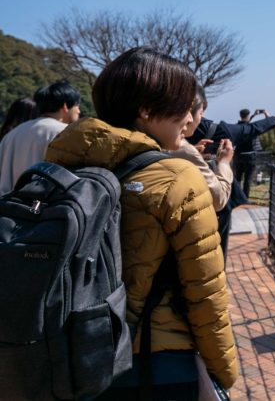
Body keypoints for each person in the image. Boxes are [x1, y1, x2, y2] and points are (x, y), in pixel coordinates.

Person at [45, 47, 237, 398]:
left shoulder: (59, 168)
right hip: (157, 363)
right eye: (182, 104)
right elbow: (205, 291)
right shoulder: (177, 178)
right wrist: (223, 371)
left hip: (72, 359)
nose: (188, 117)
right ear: (145, 110)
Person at [187, 110, 275, 257]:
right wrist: (223, 163)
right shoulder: (218, 131)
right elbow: (253, 128)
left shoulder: (166, 140)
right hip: (214, 207)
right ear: (201, 109)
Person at [0, 80, 81, 194]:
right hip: (43, 208)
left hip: (6, 206)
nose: (78, 111)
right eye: (77, 106)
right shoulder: (66, 132)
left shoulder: (12, 134)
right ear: (65, 106)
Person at [172, 85, 235, 212]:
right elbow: (219, 199)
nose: (190, 119)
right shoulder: (183, 149)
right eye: (200, 113)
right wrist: (224, 163)